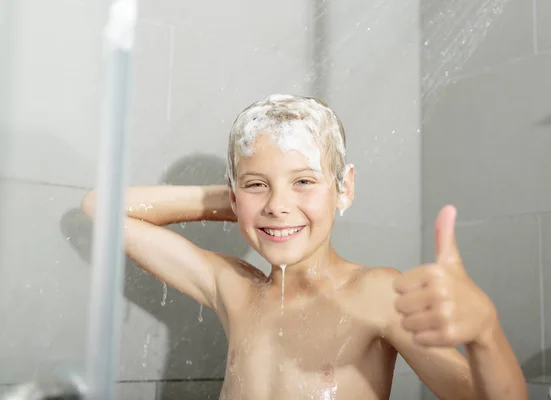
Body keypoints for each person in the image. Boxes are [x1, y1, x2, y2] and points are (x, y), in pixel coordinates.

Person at [81, 94, 527, 400]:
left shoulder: (375, 293)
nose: (278, 205)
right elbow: (100, 208)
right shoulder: (235, 289)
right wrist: (236, 200)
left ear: (343, 189)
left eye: (303, 182)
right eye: (259, 185)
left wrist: (486, 335)